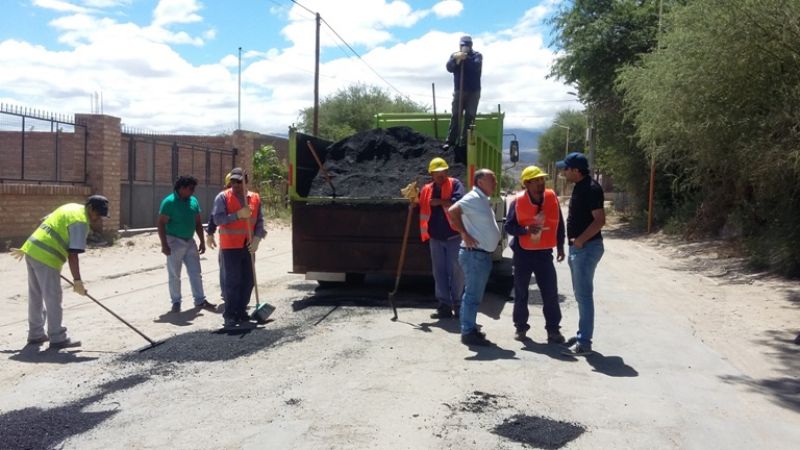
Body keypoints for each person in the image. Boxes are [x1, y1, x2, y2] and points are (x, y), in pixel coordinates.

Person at [10, 195, 110, 349]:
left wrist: (36, 245)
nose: (98, 219)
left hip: (30, 249)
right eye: (98, 214)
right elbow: (73, 254)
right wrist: (77, 280)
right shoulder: (81, 222)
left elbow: (43, 220)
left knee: (36, 295)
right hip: (46, 257)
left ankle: (35, 334)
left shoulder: (70, 207)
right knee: (53, 297)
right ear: (90, 208)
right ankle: (57, 337)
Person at [504, 166, 566, 343]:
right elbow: (508, 226)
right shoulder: (517, 201)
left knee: (550, 293)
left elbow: (559, 224)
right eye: (536, 180)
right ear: (527, 184)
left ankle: (553, 330)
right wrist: (525, 230)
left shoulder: (551, 198)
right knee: (521, 293)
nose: (540, 183)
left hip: (544, 254)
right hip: (523, 254)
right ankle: (521, 328)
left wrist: (560, 246)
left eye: (542, 180)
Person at [556, 152, 605, 356]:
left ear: (576, 170)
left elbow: (599, 220)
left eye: (566, 168)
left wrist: (581, 241)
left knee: (584, 296)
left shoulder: (591, 189)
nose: (563, 172)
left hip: (586, 249)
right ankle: (582, 334)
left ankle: (585, 343)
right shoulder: (580, 186)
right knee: (580, 295)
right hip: (579, 248)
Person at [448, 169, 501, 346]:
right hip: (474, 256)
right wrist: (464, 233)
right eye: (491, 179)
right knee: (472, 296)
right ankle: (468, 332)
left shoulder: (481, 199)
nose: (495, 182)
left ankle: (468, 329)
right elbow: (453, 210)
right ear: (479, 182)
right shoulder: (472, 198)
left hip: (479, 255)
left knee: (471, 295)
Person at [212, 167, 267, 329]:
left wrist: (257, 238)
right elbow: (217, 219)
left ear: (246, 182)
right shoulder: (222, 197)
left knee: (248, 280)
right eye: (233, 181)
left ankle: (242, 311)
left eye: (239, 181)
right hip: (230, 246)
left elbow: (260, 222)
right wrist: (237, 215)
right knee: (232, 281)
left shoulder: (255, 198)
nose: (235, 184)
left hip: (249, 246)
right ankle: (230, 314)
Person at [158, 175, 215, 313]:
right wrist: (164, 245)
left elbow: (197, 223)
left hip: (190, 242)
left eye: (194, 188)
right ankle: (176, 302)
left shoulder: (193, 201)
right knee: (175, 274)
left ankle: (200, 300)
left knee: (195, 272)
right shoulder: (169, 202)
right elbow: (161, 224)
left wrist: (201, 241)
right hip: (174, 241)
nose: (193, 191)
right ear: (181, 188)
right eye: (190, 188)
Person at [418, 157, 466, 319]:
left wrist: (440, 202)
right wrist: (412, 202)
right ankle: (444, 305)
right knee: (439, 272)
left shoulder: (455, 184)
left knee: (457, 270)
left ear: (447, 171)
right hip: (435, 238)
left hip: (454, 235)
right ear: (431, 174)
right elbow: (421, 203)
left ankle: (458, 304)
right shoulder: (426, 189)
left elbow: (459, 201)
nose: (441, 175)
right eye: (437, 173)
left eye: (443, 172)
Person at [443, 35, 482, 158]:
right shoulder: (454, 55)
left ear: (471, 45)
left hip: (473, 92)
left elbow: (475, 67)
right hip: (459, 91)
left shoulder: (477, 56)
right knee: (456, 115)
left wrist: (466, 58)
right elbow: (449, 68)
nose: (464, 47)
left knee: (470, 116)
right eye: (462, 45)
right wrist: (456, 59)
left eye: (467, 45)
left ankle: (465, 142)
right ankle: (450, 141)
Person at [206, 172, 232, 302]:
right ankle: (226, 292)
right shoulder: (223, 198)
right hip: (227, 239)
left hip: (244, 239)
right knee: (225, 267)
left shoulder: (246, 197)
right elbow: (214, 216)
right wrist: (210, 233)